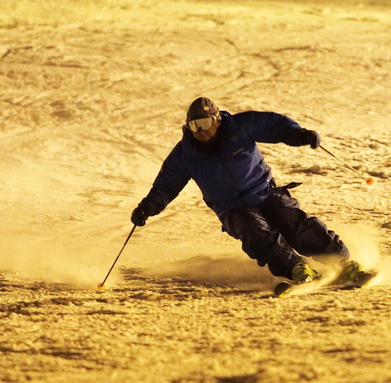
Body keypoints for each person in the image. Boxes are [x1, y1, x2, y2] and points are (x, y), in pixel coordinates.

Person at [130, 97, 368, 286]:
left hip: (265, 192)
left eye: (205, 123)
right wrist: (148, 207)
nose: (201, 131)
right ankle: (295, 268)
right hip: (232, 208)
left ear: (216, 120)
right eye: (195, 125)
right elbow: (166, 185)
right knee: (257, 233)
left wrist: (299, 135)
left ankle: (343, 264)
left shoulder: (240, 127)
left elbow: (275, 125)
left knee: (295, 223)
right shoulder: (185, 154)